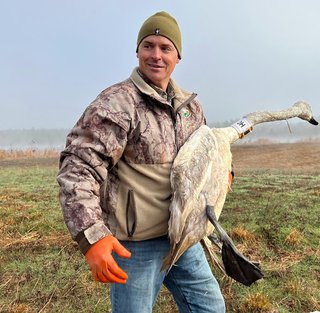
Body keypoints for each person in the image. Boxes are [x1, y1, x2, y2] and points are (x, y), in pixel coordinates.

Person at [57, 11, 226, 313]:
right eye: (148, 45)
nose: (156, 55)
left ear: (178, 56)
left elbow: (207, 153)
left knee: (210, 308)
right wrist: (92, 237)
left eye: (165, 48)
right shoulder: (117, 103)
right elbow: (78, 168)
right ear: (137, 51)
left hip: (182, 238)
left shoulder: (190, 107)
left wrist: (224, 175)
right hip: (135, 245)